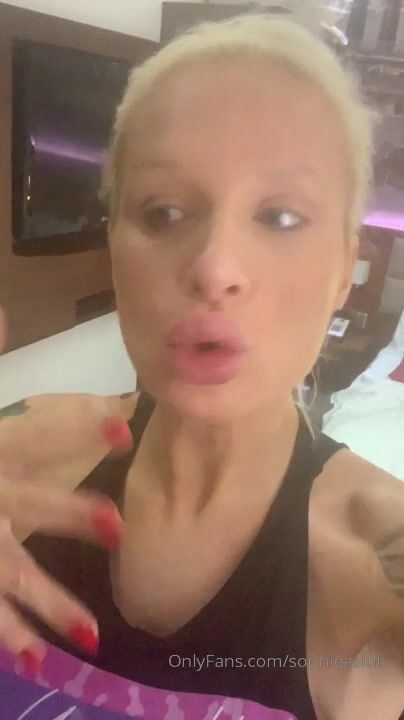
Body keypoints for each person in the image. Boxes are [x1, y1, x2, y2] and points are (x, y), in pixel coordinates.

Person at [1, 10, 404, 719]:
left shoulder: (377, 561)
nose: (216, 269)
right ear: (113, 244)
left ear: (345, 270)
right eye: (163, 212)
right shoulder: (22, 453)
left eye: (280, 217)